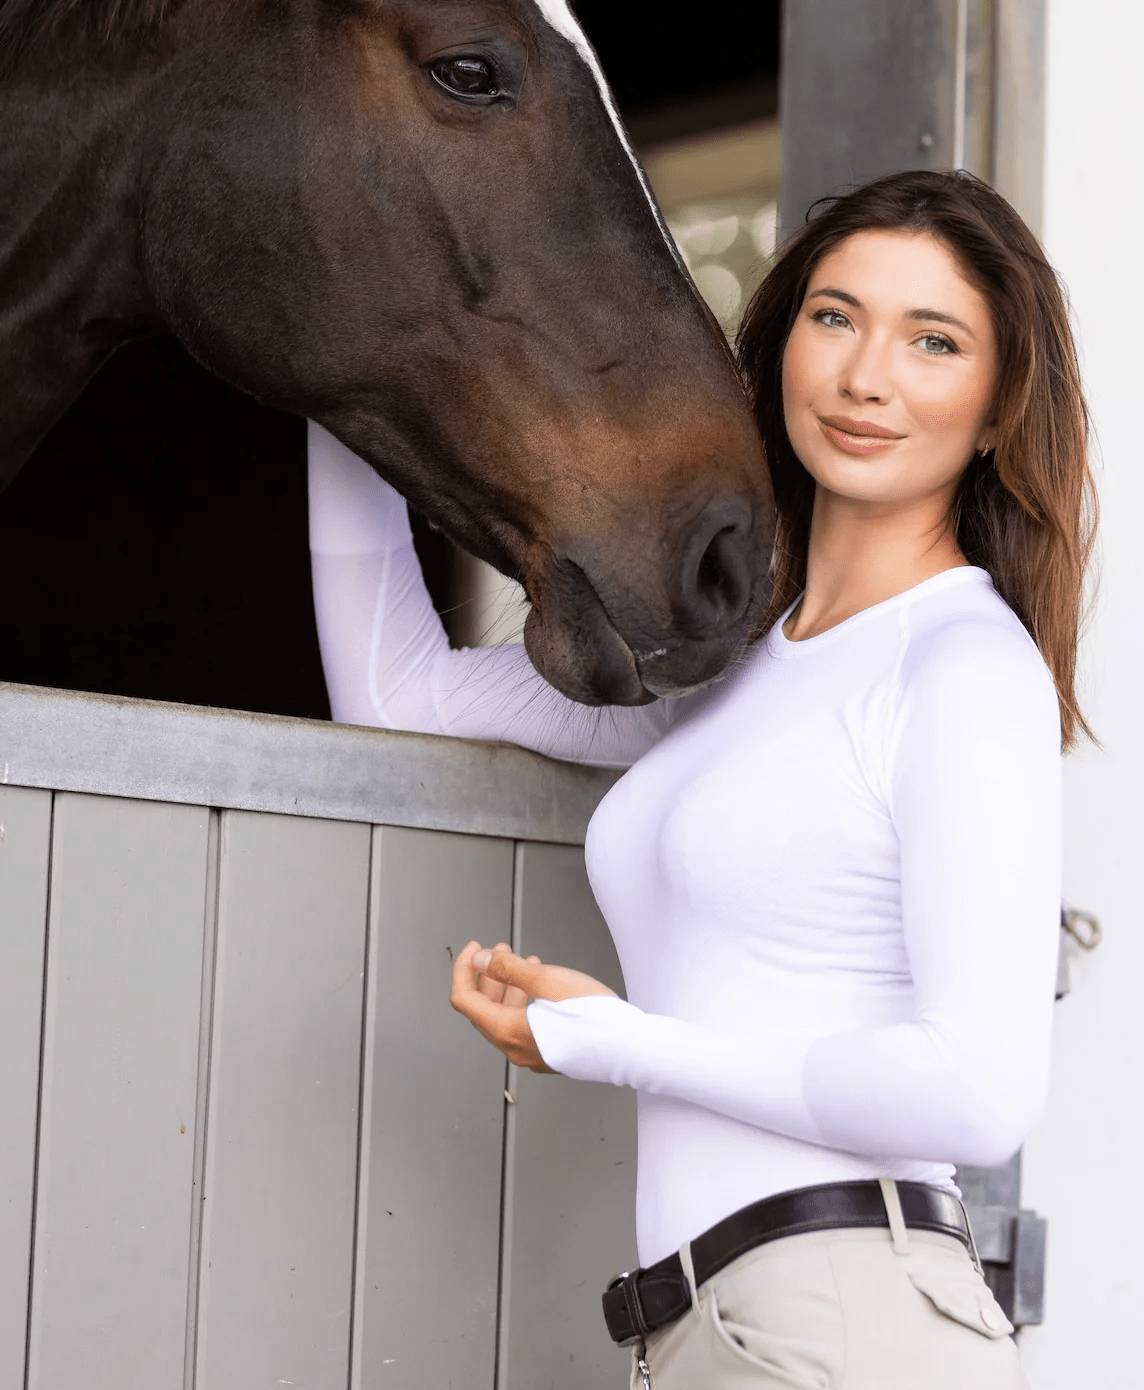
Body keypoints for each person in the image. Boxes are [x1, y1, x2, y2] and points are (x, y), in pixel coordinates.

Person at [308, 169, 1093, 1389]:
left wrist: (623, 1042)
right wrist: (335, 365)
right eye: (836, 317)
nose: (866, 375)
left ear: (997, 407)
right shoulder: (732, 667)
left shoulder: (963, 667)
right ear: (781, 343)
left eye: (933, 341)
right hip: (721, 1324)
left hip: (840, 1320)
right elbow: (395, 691)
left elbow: (977, 1095)